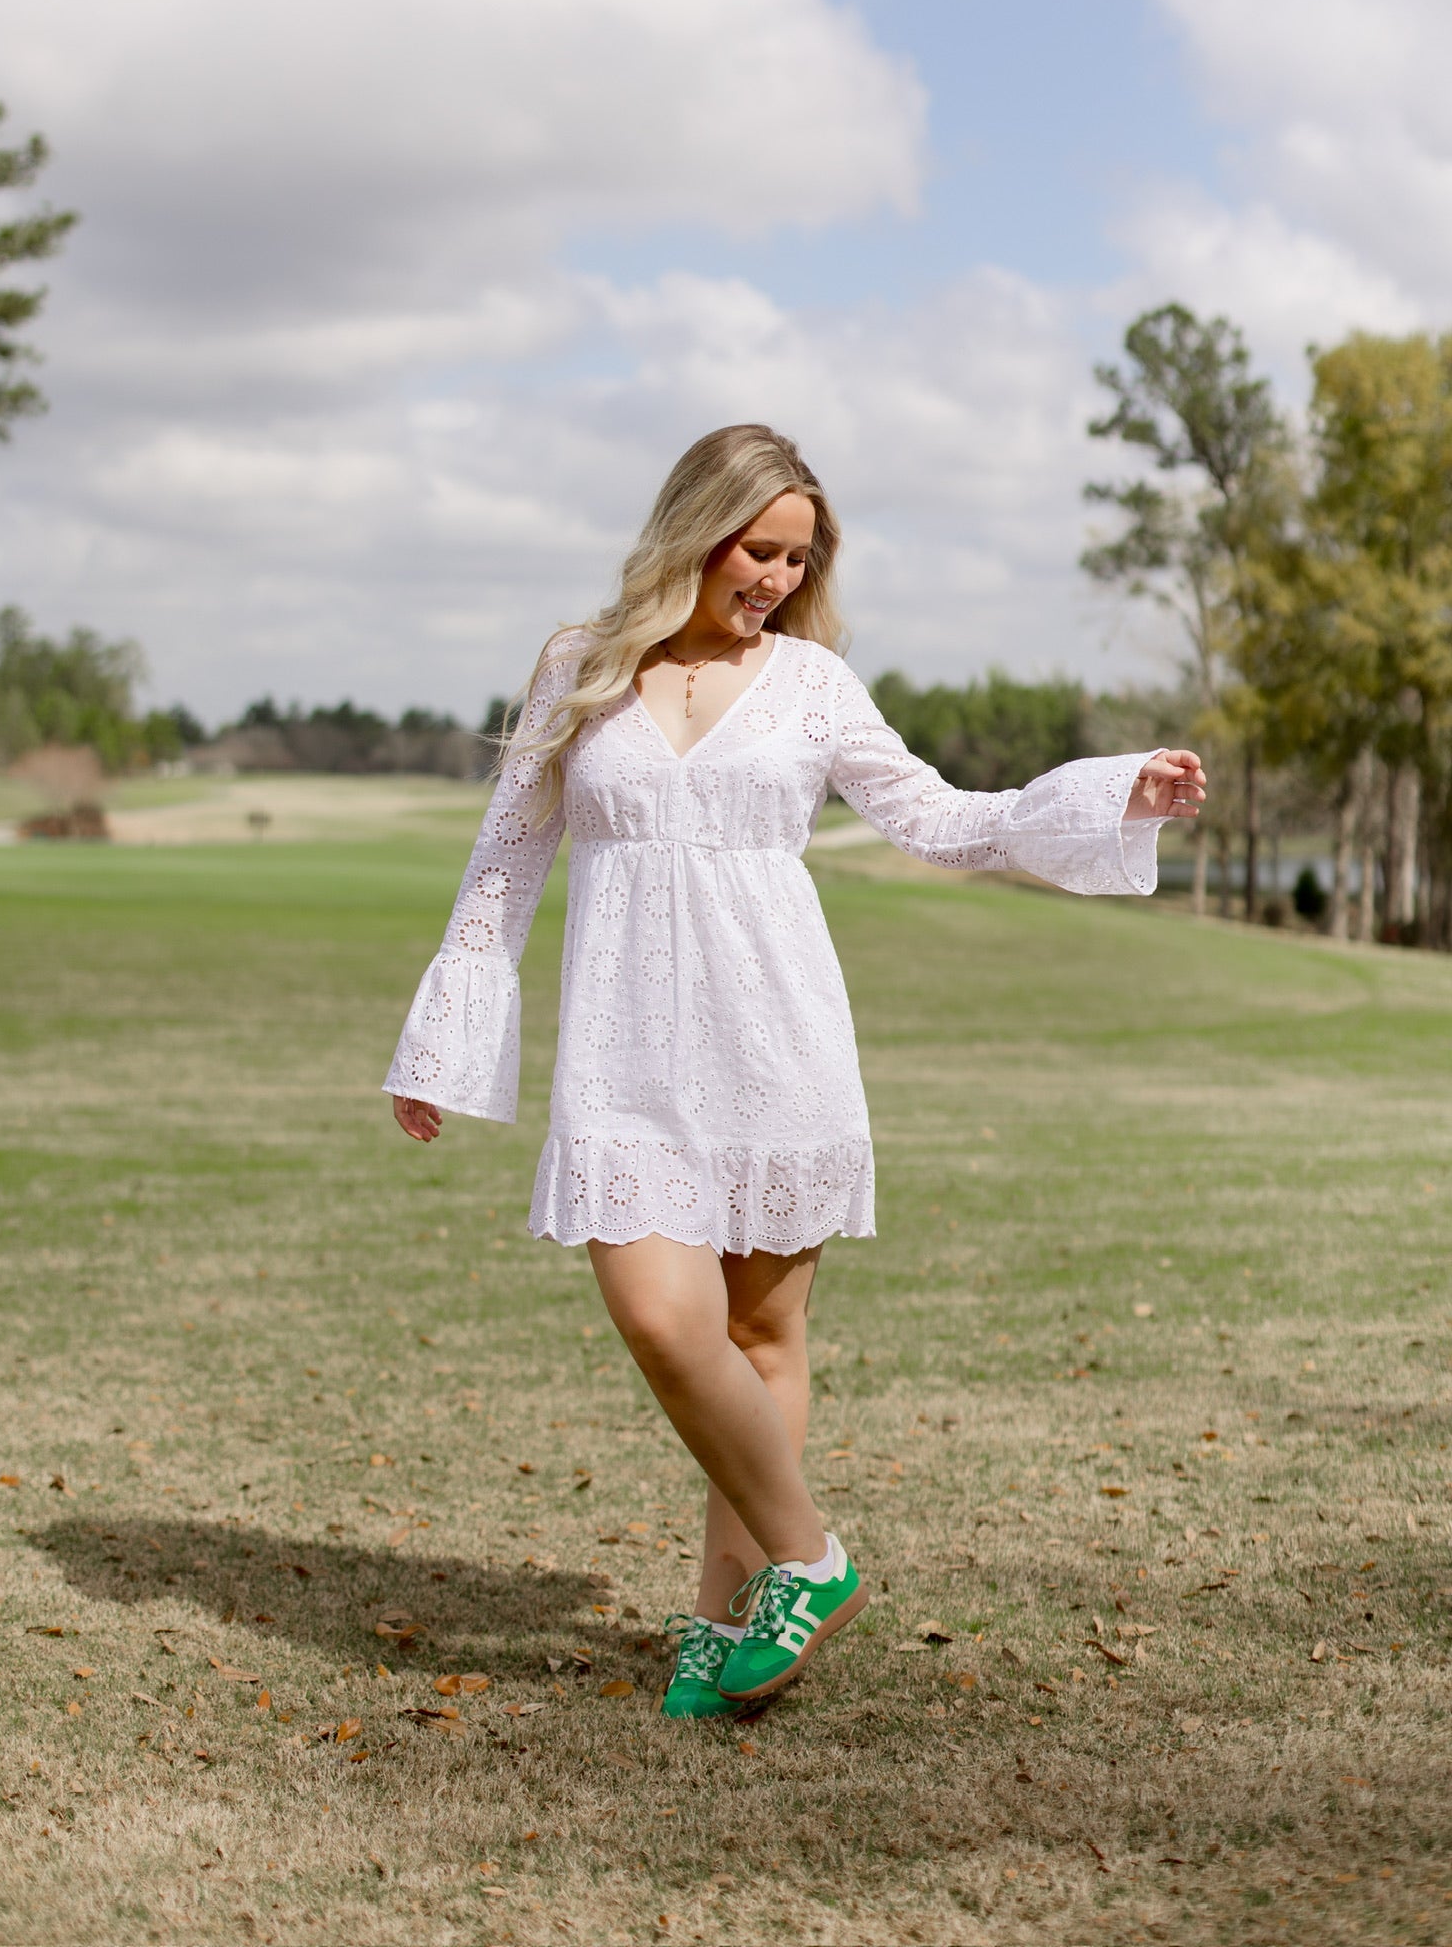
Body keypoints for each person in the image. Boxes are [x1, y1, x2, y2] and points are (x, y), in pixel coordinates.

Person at [386, 424, 1205, 1718]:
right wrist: (445, 1037)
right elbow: (505, 857)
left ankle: (722, 1630)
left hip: (777, 1043)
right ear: (694, 528)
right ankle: (812, 1560)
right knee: (664, 1319)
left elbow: (944, 820)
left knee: (762, 1335)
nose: (773, 576)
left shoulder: (815, 685)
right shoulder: (581, 665)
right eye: (757, 548)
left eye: (796, 557)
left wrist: (1118, 797)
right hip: (624, 1051)